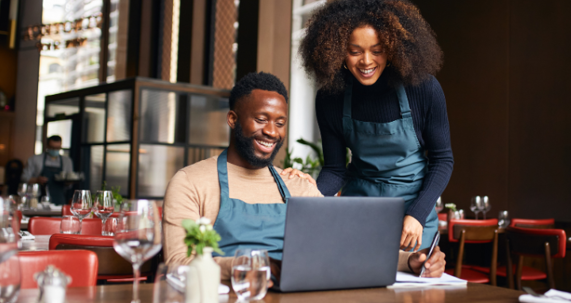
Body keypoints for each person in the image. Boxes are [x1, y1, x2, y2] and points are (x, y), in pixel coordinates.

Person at [163, 72, 446, 281]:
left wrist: (412, 261)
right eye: (261, 119)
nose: (272, 132)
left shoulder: (296, 185)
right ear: (233, 119)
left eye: (280, 123)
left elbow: (346, 249)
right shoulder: (191, 182)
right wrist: (246, 267)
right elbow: (177, 264)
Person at [282, 0, 454, 252]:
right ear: (338, 51)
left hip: (413, 211)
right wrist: (309, 193)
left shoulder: (423, 88)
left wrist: (418, 215)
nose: (366, 61)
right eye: (354, 52)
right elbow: (335, 170)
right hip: (358, 208)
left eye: (377, 51)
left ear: (393, 49)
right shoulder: (331, 98)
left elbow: (442, 160)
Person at [21, 135, 73, 205]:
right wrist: (37, 180)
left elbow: (70, 184)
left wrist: (68, 181)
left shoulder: (67, 161)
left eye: (57, 148)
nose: (55, 150)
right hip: (38, 199)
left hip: (59, 199)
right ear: (47, 146)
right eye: (52, 147)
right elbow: (24, 178)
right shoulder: (34, 159)